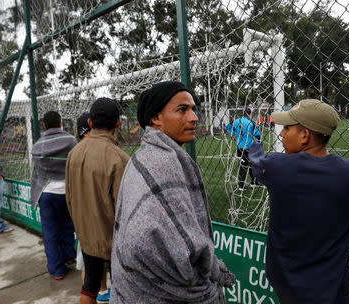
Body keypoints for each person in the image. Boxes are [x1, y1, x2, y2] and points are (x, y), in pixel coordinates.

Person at [248, 99, 349, 304]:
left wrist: (254, 145)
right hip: (332, 292)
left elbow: (257, 163)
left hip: (286, 286)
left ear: (305, 135)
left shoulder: (277, 168)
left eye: (287, 128)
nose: (281, 134)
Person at [110, 81, 234, 303]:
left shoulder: (144, 155)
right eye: (182, 110)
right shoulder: (162, 163)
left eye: (193, 109)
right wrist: (199, 281)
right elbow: (143, 241)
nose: (194, 117)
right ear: (156, 118)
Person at [66, 98, 129, 304]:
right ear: (118, 123)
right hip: (113, 240)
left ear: (91, 123)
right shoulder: (119, 158)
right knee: (123, 290)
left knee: (90, 286)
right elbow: (125, 209)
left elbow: (69, 197)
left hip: (86, 234)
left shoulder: (73, 153)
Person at [30, 111, 77, 280]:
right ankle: (69, 257)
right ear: (60, 123)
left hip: (46, 193)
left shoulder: (37, 146)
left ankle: (57, 270)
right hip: (66, 191)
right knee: (67, 225)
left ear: (44, 125)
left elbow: (36, 172)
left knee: (50, 231)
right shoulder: (71, 141)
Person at [74, 111, 110, 303]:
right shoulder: (89, 152)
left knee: (92, 270)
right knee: (90, 271)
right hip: (93, 223)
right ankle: (100, 292)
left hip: (85, 221)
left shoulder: (77, 153)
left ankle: (102, 291)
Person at [226, 107, 261, 189]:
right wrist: (258, 142)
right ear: (249, 114)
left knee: (242, 165)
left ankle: (241, 185)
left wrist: (235, 135)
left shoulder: (236, 121)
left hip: (240, 147)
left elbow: (228, 127)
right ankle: (254, 182)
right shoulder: (250, 122)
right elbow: (257, 134)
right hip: (249, 146)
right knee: (253, 164)